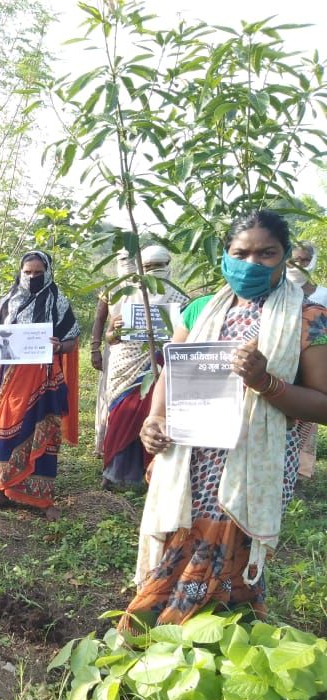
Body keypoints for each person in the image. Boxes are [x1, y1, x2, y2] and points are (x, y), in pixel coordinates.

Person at [124, 210, 327, 630]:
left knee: (222, 568)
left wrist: (265, 381)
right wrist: (155, 419)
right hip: (189, 464)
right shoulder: (199, 310)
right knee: (175, 551)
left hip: (248, 474)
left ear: (285, 256)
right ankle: (158, 645)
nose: (252, 263)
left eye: (266, 253)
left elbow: (323, 403)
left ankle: (208, 649)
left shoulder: (308, 319)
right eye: (241, 253)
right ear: (225, 256)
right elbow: (169, 374)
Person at [0, 250, 80, 520]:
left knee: (44, 434)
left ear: (47, 272)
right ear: (21, 272)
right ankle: (3, 490)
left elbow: (72, 339)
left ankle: (43, 497)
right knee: (6, 431)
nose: (32, 277)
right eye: (28, 272)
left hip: (44, 380)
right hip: (11, 380)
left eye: (38, 272)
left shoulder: (57, 301)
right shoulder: (8, 300)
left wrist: (60, 345)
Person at [101, 246, 189, 488]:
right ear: (141, 269)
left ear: (168, 266)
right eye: (149, 268)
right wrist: (114, 332)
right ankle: (115, 472)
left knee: (153, 414)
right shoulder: (126, 294)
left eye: (159, 267)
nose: (155, 272)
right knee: (122, 414)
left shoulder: (180, 299)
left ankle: (150, 473)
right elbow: (111, 336)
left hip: (160, 366)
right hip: (125, 365)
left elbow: (186, 338)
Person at [286, 241, 326, 478]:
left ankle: (298, 469)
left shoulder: (322, 296)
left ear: (312, 262)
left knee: (305, 419)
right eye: (293, 260)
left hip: (311, 364)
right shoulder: (277, 293)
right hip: (283, 364)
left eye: (303, 260)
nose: (297, 265)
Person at [91, 253, 131, 458]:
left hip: (145, 349)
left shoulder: (150, 286)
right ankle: (105, 444)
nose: (128, 264)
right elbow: (99, 319)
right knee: (109, 392)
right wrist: (94, 348)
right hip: (114, 347)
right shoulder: (111, 288)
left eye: (132, 259)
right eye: (123, 260)